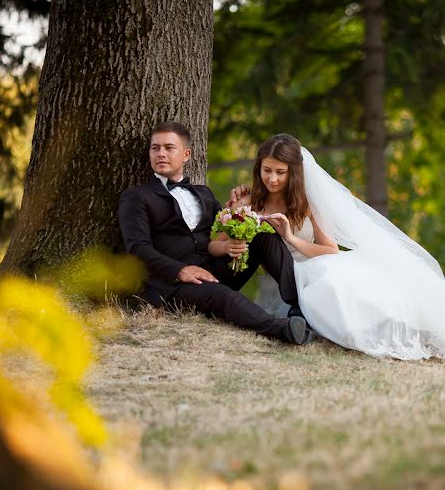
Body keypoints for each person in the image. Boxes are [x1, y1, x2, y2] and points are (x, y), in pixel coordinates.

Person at [227, 134, 445, 368]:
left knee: (349, 297)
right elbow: (226, 235)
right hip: (280, 279)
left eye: (281, 172)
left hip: (311, 263)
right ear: (258, 168)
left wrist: (291, 236)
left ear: (294, 173)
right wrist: (233, 209)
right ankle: (300, 315)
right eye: (267, 171)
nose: (273, 179)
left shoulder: (306, 202)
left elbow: (329, 249)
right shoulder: (250, 200)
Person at [117, 121, 314, 345]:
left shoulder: (204, 193)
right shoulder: (136, 196)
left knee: (262, 233)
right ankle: (283, 330)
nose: (161, 153)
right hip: (174, 285)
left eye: (169, 147)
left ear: (186, 154)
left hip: (215, 269)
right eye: (155, 148)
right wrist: (180, 270)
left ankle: (299, 307)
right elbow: (137, 247)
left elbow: (224, 231)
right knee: (222, 295)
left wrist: (235, 211)